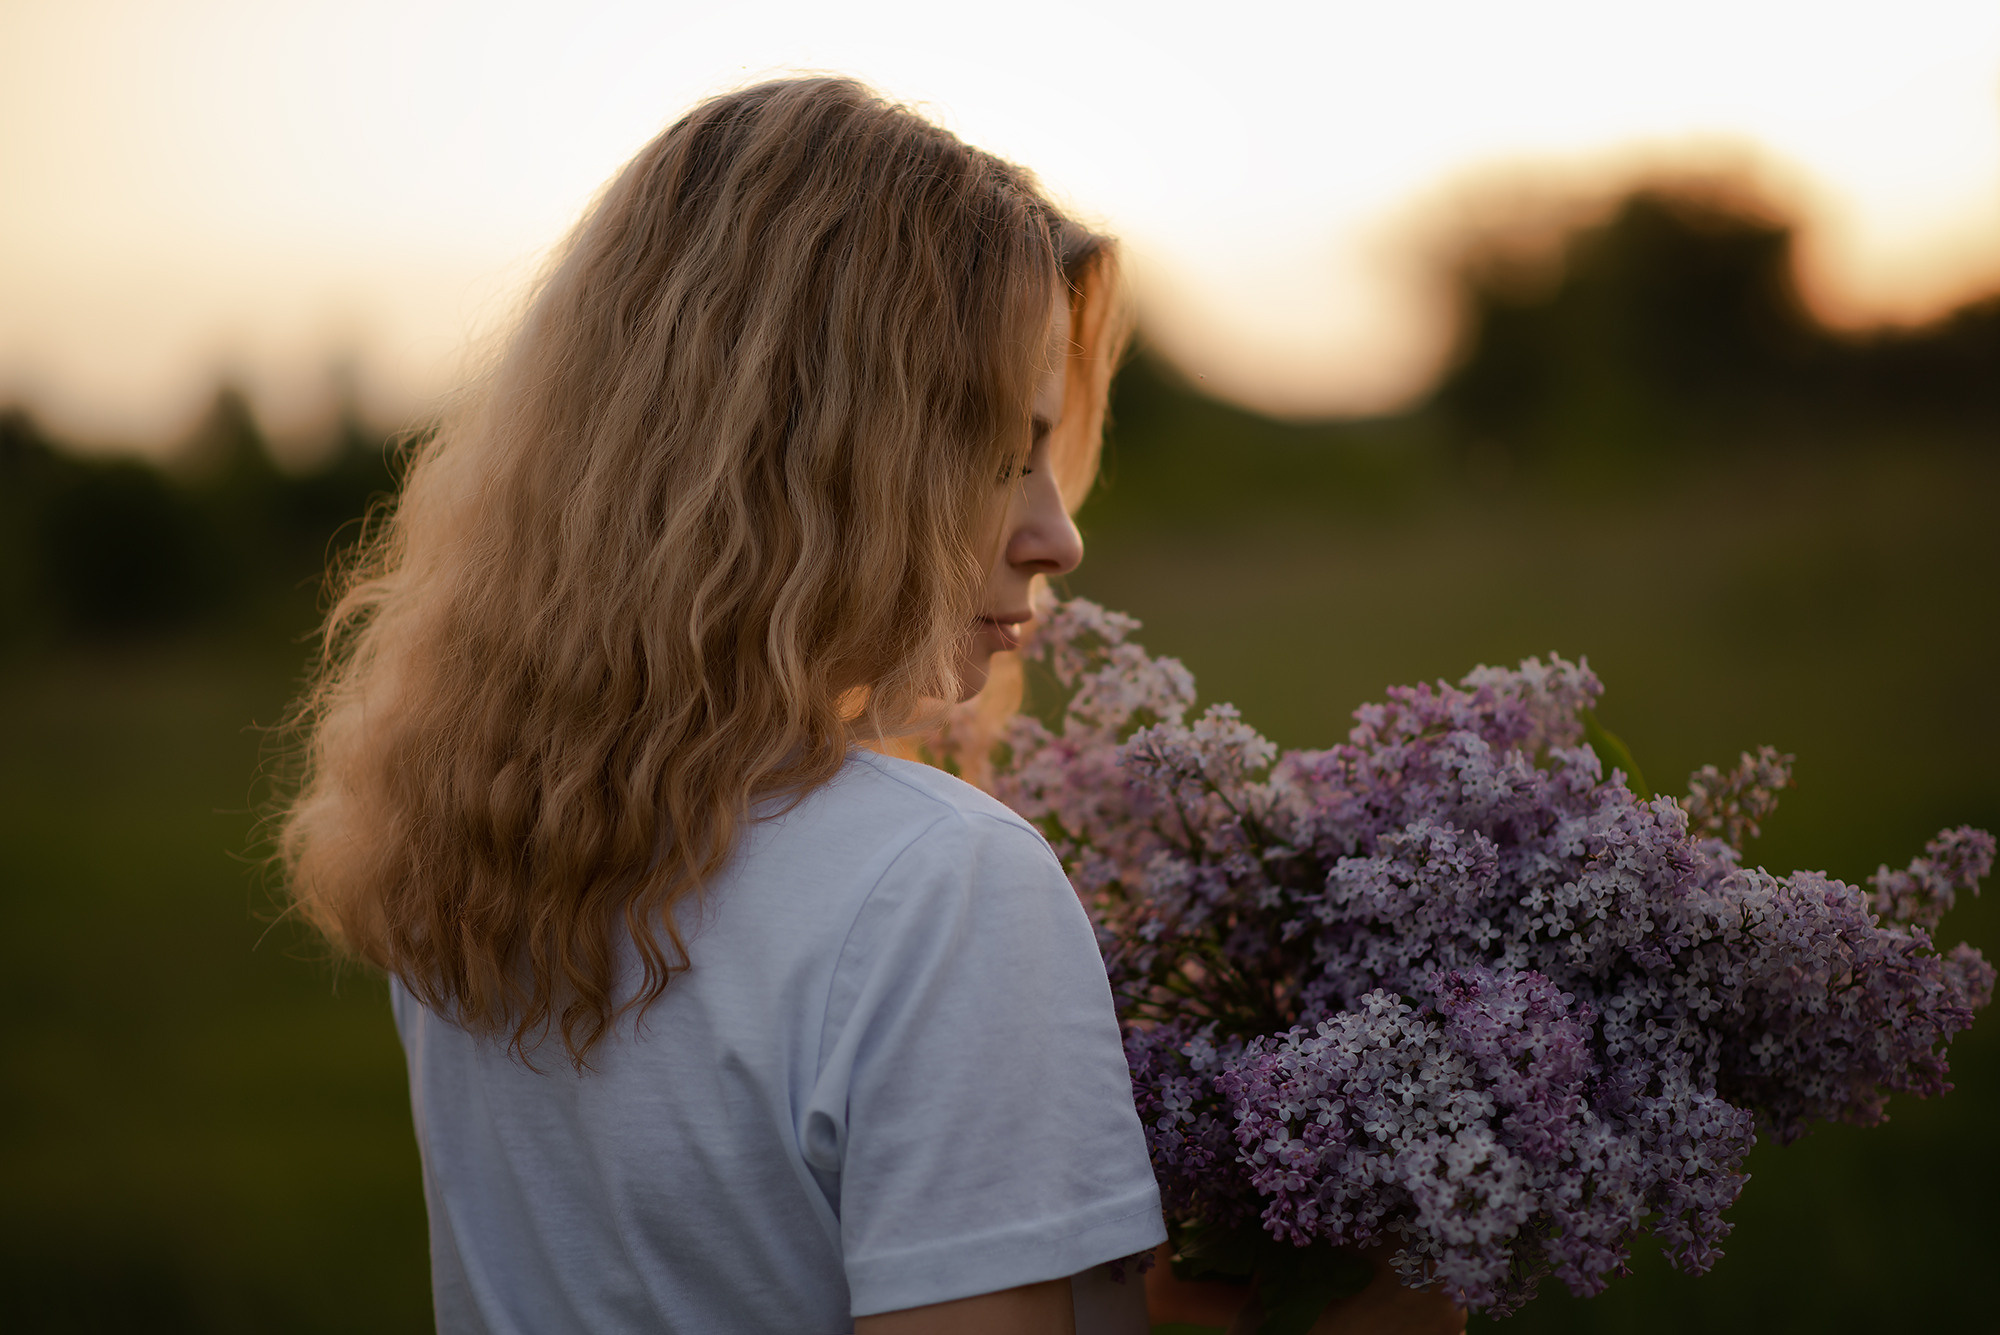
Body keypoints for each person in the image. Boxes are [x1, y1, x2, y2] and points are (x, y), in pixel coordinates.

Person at [277, 76, 1164, 1334]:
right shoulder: (937, 885)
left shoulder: (476, 850)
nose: (1056, 535)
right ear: (808, 460)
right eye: (990, 453)